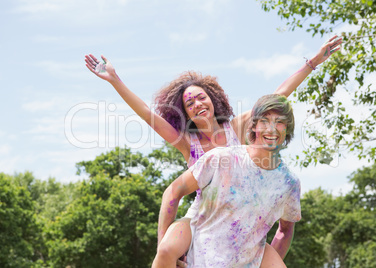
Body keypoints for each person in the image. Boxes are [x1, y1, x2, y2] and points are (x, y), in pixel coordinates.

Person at [84, 35, 341, 266]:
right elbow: (146, 114)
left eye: (201, 97)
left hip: (242, 220)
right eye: (189, 103)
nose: (197, 104)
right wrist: (115, 80)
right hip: (203, 216)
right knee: (167, 250)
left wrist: (313, 62)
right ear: (185, 113)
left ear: (212, 99)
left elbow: (277, 96)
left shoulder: (237, 128)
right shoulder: (187, 143)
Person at [154, 94, 300, 267]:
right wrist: (162, 246)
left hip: (243, 255)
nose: (271, 129)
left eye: (279, 122)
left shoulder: (289, 183)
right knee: (165, 252)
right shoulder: (222, 158)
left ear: (288, 128)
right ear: (253, 126)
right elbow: (173, 191)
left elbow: (285, 231)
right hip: (198, 238)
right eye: (264, 121)